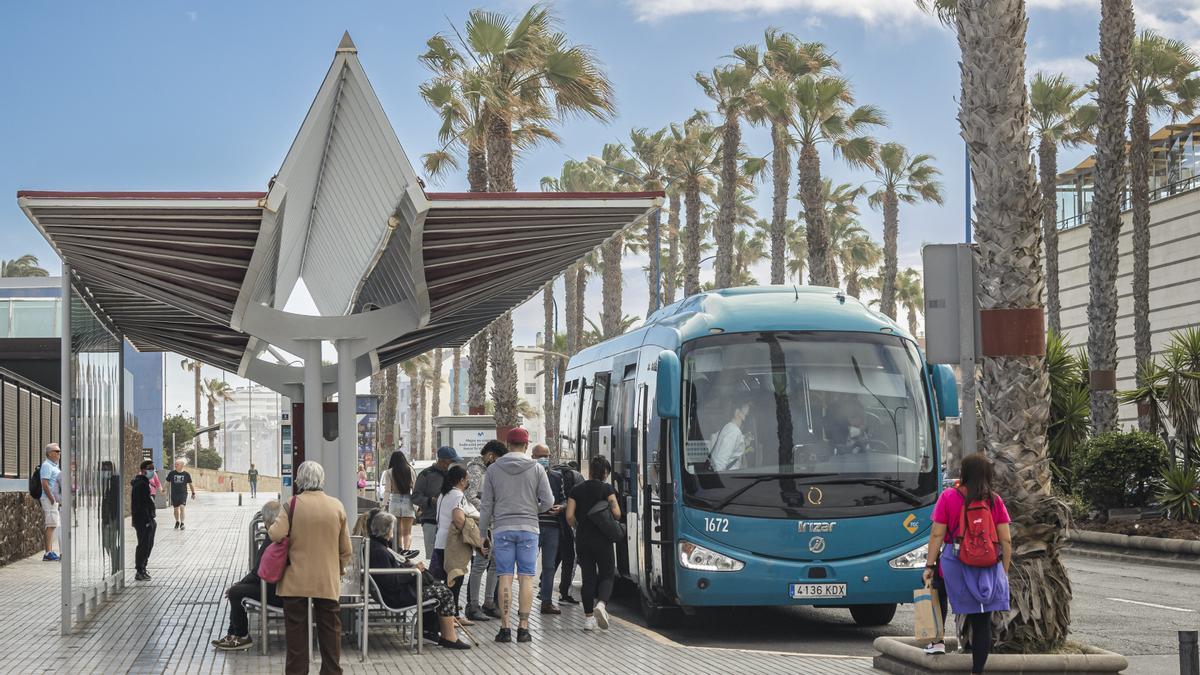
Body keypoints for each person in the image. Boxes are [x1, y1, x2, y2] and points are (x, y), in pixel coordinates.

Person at [922, 453, 1012, 674]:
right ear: (987, 474)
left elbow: (936, 534)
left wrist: (929, 565)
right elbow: (1006, 539)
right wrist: (1003, 570)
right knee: (982, 621)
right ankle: (977, 671)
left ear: (963, 472)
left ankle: (936, 642)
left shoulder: (949, 497)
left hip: (953, 562)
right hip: (986, 564)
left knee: (935, 590)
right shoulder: (994, 500)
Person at [269, 461, 352, 675]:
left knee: (296, 634)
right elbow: (345, 549)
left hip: (295, 580)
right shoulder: (336, 506)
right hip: (326, 579)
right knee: (330, 631)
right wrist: (338, 570)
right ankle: (331, 671)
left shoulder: (292, 504)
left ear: (300, 480)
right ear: (321, 479)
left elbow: (276, 534)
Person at [478, 428, 553, 643]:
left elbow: (486, 506)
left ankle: (505, 628)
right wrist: (532, 509)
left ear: (507, 444)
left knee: (505, 576)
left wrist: (483, 533)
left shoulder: (493, 470)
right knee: (527, 577)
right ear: (527, 445)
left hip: (502, 529)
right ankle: (524, 628)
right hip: (529, 529)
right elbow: (548, 501)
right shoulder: (537, 468)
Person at [366, 510, 470, 650]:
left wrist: (411, 568)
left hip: (393, 592)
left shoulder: (377, 545)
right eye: (392, 528)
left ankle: (428, 629)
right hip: (395, 596)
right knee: (444, 593)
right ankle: (449, 637)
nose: (393, 532)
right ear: (387, 530)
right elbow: (390, 581)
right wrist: (413, 572)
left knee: (437, 586)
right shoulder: (379, 550)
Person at [212, 501, 283, 650]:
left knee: (236, 592)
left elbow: (258, 572)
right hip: (274, 587)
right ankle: (233, 634)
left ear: (267, 520)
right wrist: (241, 583)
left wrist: (239, 584)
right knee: (237, 590)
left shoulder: (274, 539)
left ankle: (242, 636)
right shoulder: (278, 536)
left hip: (274, 592)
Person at [566, 455, 620, 631]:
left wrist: (578, 526)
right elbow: (617, 513)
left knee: (588, 578)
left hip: (583, 539)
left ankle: (588, 619)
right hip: (602, 539)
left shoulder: (576, 489)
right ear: (605, 473)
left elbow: (569, 516)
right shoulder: (607, 489)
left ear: (590, 471)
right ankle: (602, 605)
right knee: (607, 574)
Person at [465, 440, 506, 621]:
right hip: (482, 522)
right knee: (481, 562)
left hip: (493, 522)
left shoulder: (490, 470)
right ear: (490, 455)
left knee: (495, 561)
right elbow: (470, 495)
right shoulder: (476, 470)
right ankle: (473, 604)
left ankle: (489, 601)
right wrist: (488, 509)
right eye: (497, 458)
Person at [431, 465, 474, 617]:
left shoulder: (444, 494)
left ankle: (448, 614)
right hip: (452, 544)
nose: (468, 482)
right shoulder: (458, 495)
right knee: (455, 580)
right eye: (467, 479)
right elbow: (458, 518)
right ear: (461, 480)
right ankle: (453, 616)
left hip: (440, 541)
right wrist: (470, 534)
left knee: (444, 581)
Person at [531, 444, 566, 615]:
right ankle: (526, 601)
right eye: (540, 456)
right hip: (533, 525)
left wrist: (561, 507)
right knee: (528, 565)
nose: (544, 459)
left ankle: (546, 601)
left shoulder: (557, 476)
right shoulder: (528, 475)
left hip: (552, 527)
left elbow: (564, 498)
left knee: (549, 566)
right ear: (533, 456)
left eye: (547, 455)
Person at [414, 447, 459, 557]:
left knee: (449, 556)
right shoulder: (425, 474)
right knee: (432, 556)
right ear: (443, 460)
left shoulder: (452, 475)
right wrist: (430, 501)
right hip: (430, 521)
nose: (452, 463)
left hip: (449, 522)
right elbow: (415, 497)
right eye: (451, 461)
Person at [553, 459, 585, 605]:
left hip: (550, 521)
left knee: (552, 557)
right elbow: (579, 500)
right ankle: (565, 593)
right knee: (570, 558)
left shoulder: (551, 473)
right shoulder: (576, 476)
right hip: (568, 522)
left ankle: (544, 589)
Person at [381, 450, 419, 556]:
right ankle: (407, 551)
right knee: (407, 532)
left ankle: (399, 552)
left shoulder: (389, 472)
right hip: (408, 501)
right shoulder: (410, 469)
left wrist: (383, 505)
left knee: (397, 533)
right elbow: (415, 488)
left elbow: (387, 490)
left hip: (395, 502)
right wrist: (416, 507)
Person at [130, 460, 157, 580]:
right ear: (143, 470)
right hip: (143, 520)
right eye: (150, 468)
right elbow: (139, 505)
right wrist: (146, 521)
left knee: (148, 544)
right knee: (143, 545)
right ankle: (139, 570)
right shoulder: (140, 484)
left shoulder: (145, 483)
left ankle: (143, 567)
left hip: (148, 519)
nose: (152, 471)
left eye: (153, 468)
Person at [708, 398, 751, 471]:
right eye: (746, 412)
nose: (748, 413)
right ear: (737, 412)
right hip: (730, 478)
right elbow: (720, 463)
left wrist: (744, 440)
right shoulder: (734, 432)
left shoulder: (728, 427)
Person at [38, 444, 62, 561]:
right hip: (49, 499)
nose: (59, 454)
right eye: (56, 451)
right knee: (51, 524)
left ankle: (50, 551)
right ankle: (48, 553)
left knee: (53, 524)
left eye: (59, 451)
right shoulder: (47, 465)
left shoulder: (55, 466)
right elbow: (44, 483)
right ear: (49, 453)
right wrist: (52, 498)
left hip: (53, 499)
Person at [100, 460, 121, 572]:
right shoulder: (105, 482)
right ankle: (116, 565)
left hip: (112, 519)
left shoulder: (115, 482)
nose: (104, 472)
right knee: (107, 544)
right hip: (107, 519)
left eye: (106, 470)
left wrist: (111, 519)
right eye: (103, 470)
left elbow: (113, 503)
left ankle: (115, 567)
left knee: (111, 544)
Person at [165, 459, 196, 530]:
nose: (175, 465)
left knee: (182, 507)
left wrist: (193, 493)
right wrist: (163, 489)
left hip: (183, 494)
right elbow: (167, 482)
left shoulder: (186, 474)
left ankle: (182, 523)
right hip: (174, 494)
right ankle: (177, 521)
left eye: (177, 464)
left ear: (182, 465)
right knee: (176, 509)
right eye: (175, 464)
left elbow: (190, 484)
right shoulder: (172, 473)